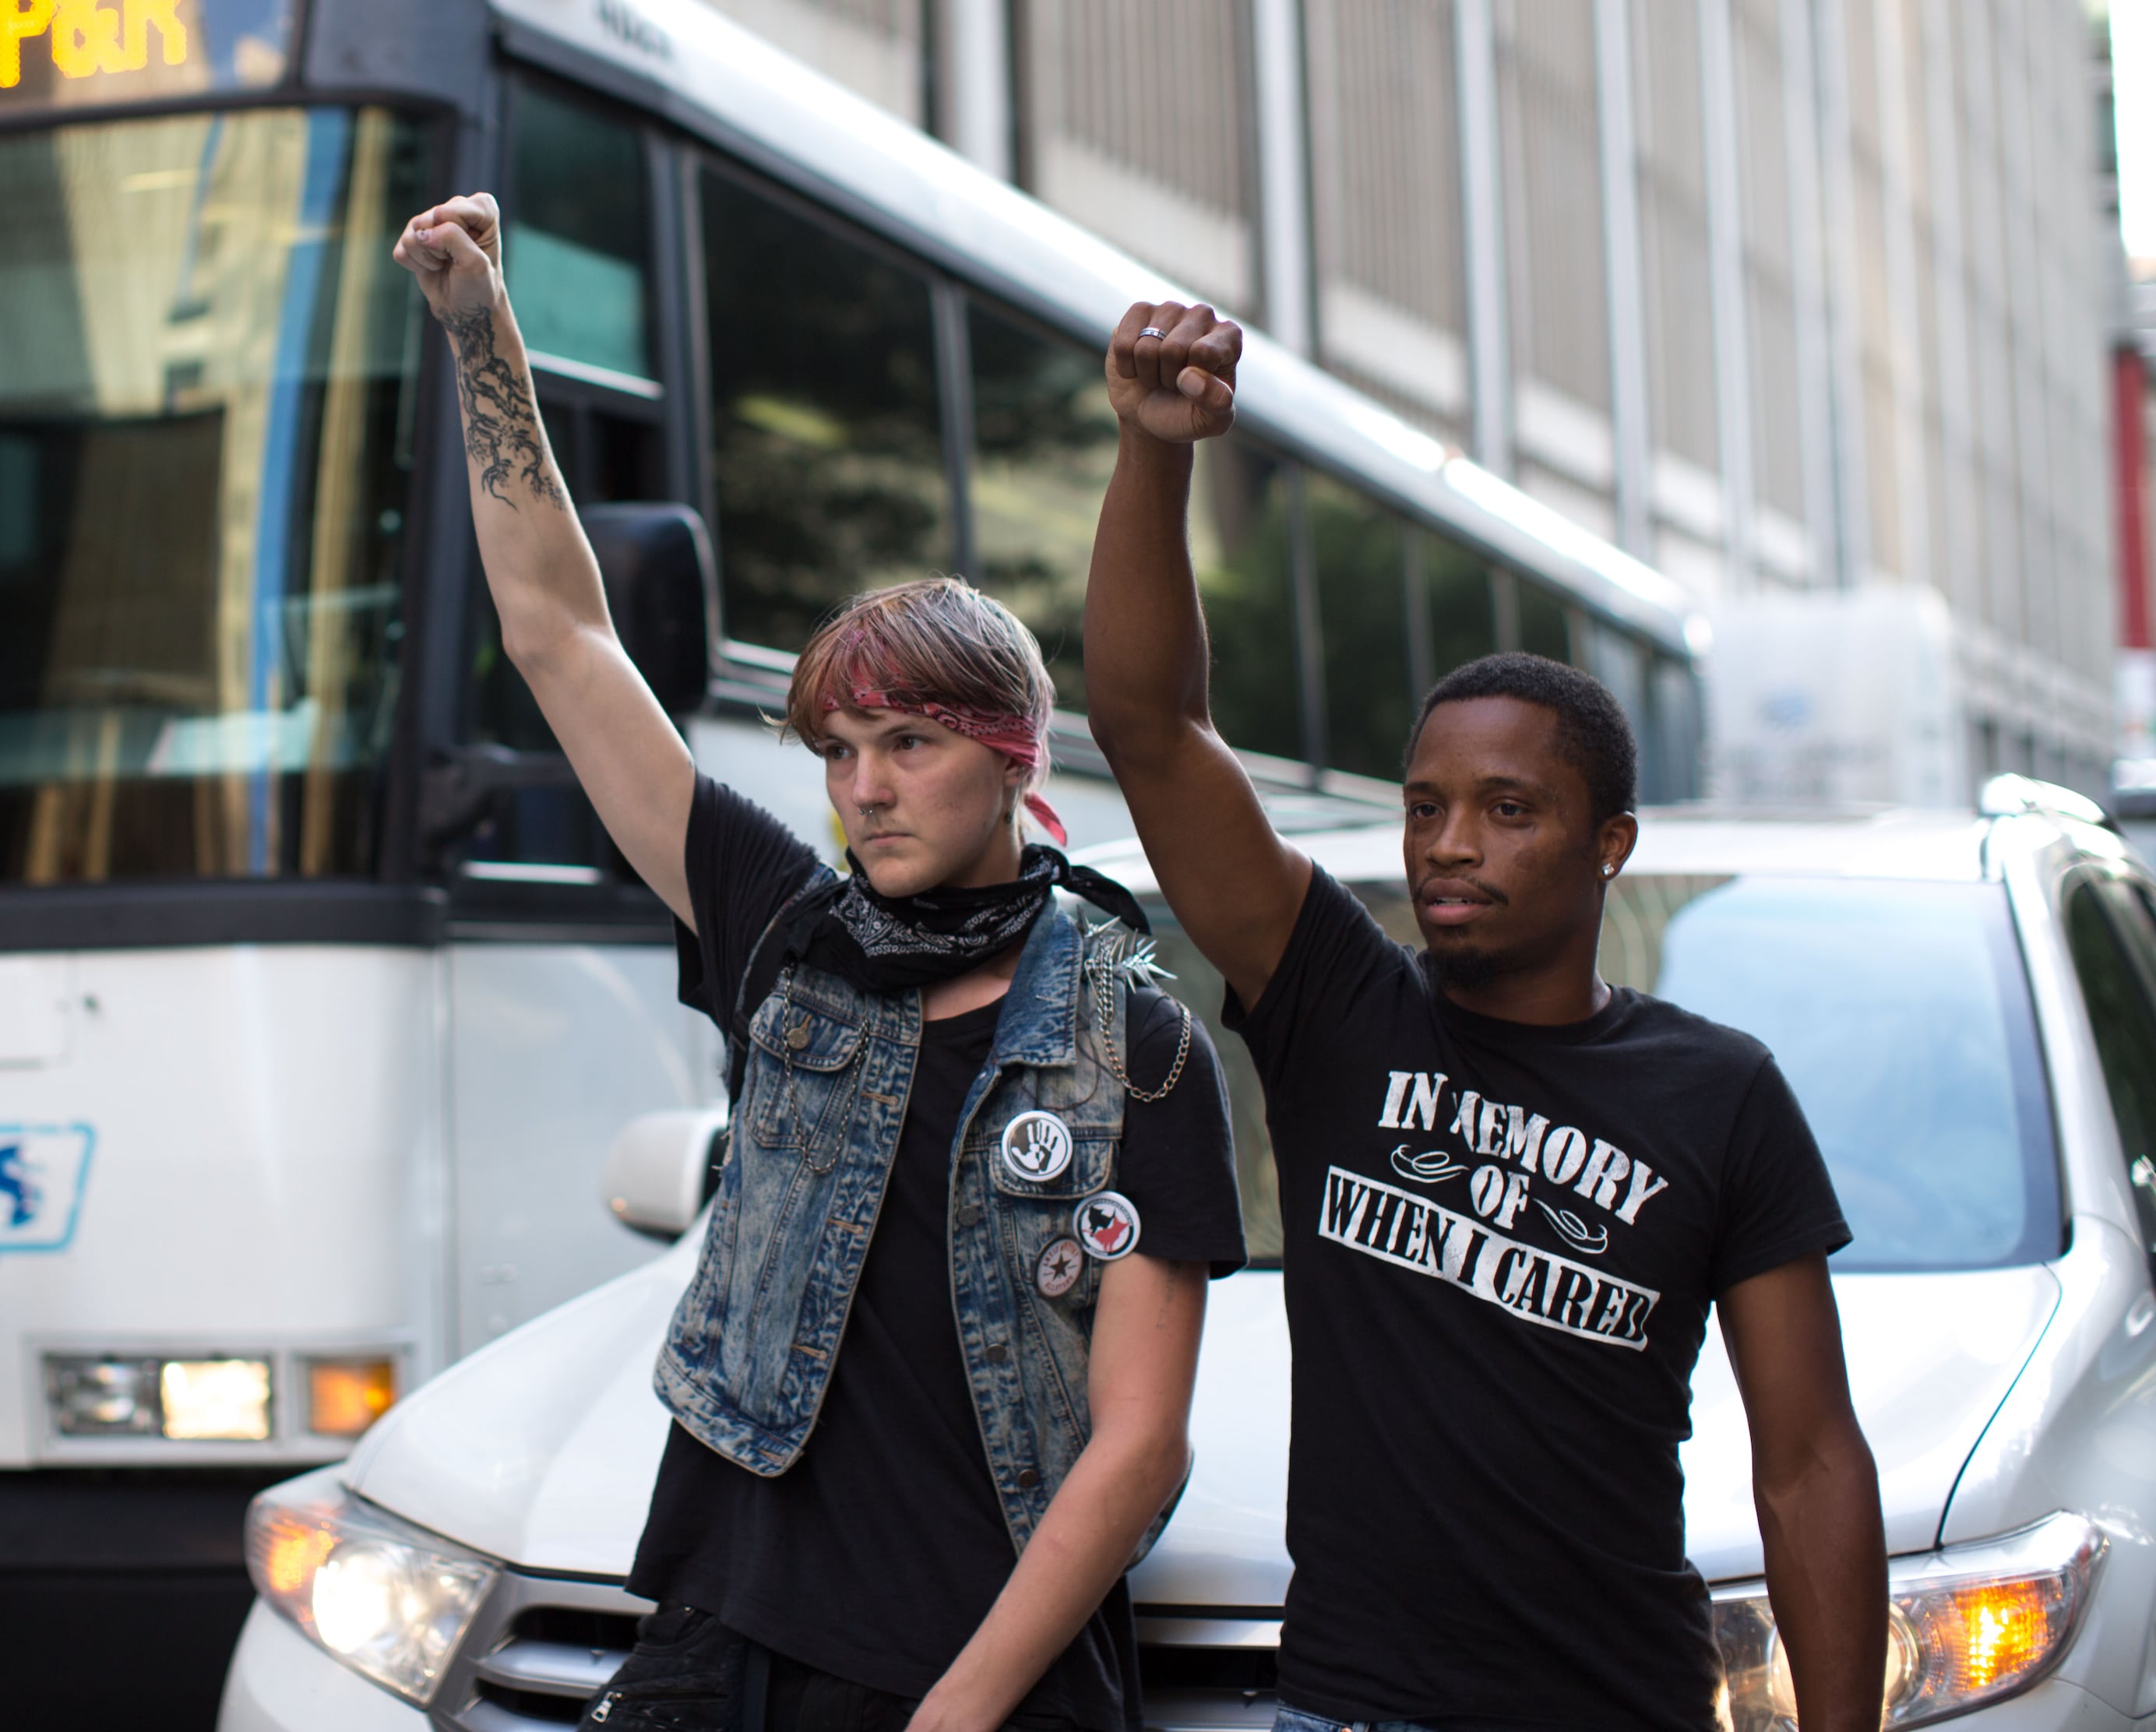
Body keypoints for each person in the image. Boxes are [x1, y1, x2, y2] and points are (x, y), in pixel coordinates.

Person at [393, 193, 1250, 1732]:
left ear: (1009, 762)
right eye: (840, 746)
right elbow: (556, 633)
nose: (862, 784)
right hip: (715, 1651)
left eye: (911, 742)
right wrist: (480, 330)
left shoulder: (1134, 1040)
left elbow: (1141, 1444)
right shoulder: (785, 934)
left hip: (979, 1681)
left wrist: (957, 1709)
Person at [1077, 299, 1889, 1731]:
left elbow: (1810, 1457)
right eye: (1428, 807)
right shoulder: (1338, 1005)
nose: (1450, 843)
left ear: (1609, 844)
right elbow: (1154, 728)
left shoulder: (1720, 1093)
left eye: (1510, 811)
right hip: (1352, 1708)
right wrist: (1155, 454)